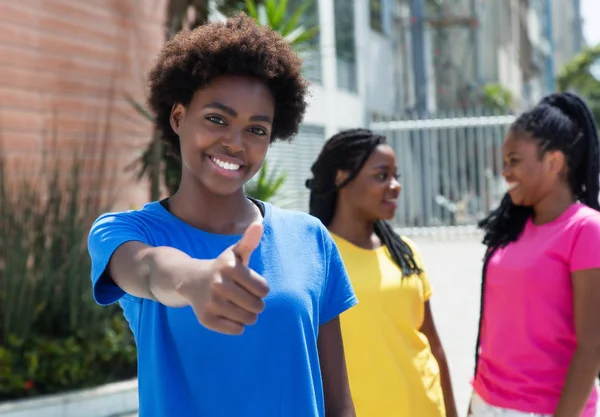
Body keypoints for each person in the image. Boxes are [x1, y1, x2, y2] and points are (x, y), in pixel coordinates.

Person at [87, 14, 358, 417]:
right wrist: (196, 280)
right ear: (178, 117)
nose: (234, 143)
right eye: (217, 119)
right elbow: (147, 269)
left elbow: (339, 404)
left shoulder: (310, 238)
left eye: (257, 130)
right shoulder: (126, 232)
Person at [306, 129, 458, 417]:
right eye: (381, 175)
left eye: (396, 175)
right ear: (341, 178)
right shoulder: (315, 255)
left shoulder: (405, 252)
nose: (395, 185)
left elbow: (433, 345)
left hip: (426, 407)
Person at [471, 92, 600, 417]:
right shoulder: (511, 229)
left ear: (553, 162)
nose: (505, 173)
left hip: (548, 409)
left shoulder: (586, 229)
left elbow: (593, 344)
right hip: (487, 403)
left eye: (514, 161)